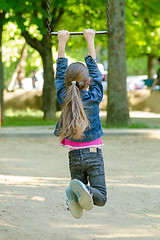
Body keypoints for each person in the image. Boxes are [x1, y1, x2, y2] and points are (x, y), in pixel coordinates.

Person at [54, 29, 107, 219]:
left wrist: (61, 43)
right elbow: (95, 72)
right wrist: (90, 40)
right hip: (93, 156)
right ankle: (79, 191)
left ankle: (76, 192)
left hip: (74, 156)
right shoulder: (95, 96)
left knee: (86, 194)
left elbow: (60, 74)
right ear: (88, 82)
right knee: (100, 198)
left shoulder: (64, 96)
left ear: (68, 83)